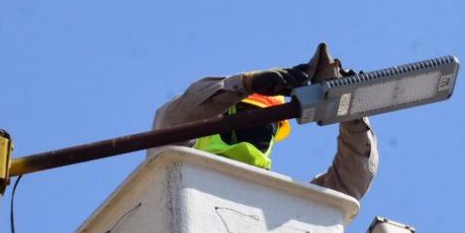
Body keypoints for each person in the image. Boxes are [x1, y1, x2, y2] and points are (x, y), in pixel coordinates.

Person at [152, 55, 378, 201]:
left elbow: (349, 183)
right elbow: (174, 116)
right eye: (249, 116)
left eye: (267, 125)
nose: (258, 130)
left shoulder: (278, 199)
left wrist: (352, 115)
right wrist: (244, 84)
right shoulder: (177, 168)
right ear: (223, 116)